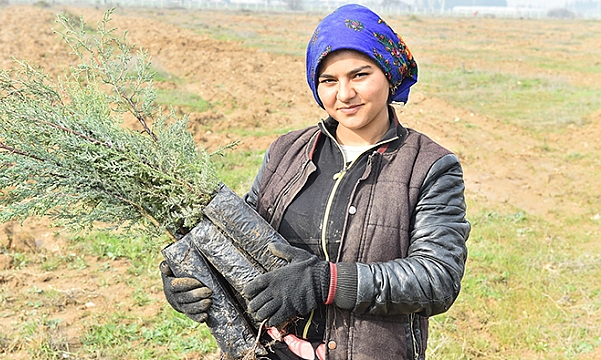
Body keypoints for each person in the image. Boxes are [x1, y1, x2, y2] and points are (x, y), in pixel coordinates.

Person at [160, 4, 470, 360]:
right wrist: (189, 282)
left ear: (389, 73)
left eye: (359, 75)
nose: (344, 94)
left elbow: (437, 278)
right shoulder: (286, 151)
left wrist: (326, 281)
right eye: (328, 80)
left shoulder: (428, 165)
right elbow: (239, 243)